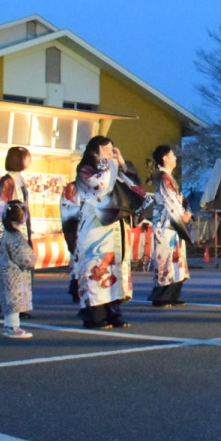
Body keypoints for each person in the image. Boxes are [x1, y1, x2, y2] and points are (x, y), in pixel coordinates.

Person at [74, 136, 147, 329]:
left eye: (111, 149)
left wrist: (122, 163)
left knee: (116, 269)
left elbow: (137, 189)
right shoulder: (85, 169)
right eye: (105, 148)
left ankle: (114, 312)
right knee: (97, 269)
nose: (109, 152)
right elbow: (100, 187)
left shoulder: (114, 168)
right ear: (94, 150)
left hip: (116, 226)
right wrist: (109, 165)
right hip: (96, 226)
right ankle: (94, 316)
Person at [0, 146, 33, 318]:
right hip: (10, 230)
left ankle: (19, 305)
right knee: (10, 270)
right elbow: (0, 208)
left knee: (20, 270)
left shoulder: (19, 180)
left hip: (21, 229)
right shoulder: (7, 181)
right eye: (27, 158)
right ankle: (9, 305)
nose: (29, 161)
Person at [147, 145, 192, 308]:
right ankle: (162, 296)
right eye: (172, 155)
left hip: (171, 224)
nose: (175, 158)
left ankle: (171, 294)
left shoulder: (167, 178)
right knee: (166, 259)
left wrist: (184, 212)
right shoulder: (164, 178)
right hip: (167, 224)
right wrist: (183, 215)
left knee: (174, 259)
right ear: (165, 158)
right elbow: (170, 201)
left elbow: (176, 199)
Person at [0, 200, 36, 339]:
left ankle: (8, 325)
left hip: (4, 270)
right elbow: (22, 255)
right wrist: (31, 261)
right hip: (14, 273)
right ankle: (13, 326)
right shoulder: (15, 235)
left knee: (8, 298)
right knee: (14, 300)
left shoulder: (5, 233)